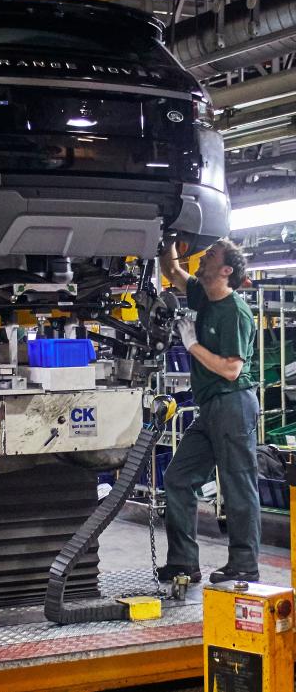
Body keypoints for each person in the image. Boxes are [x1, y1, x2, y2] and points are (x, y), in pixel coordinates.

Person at [158, 238, 259, 584]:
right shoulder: (202, 293)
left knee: (237, 485)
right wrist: (166, 239)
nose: (203, 258)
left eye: (211, 255)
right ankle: (184, 562)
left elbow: (232, 368)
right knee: (177, 478)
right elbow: (171, 269)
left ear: (226, 270)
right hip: (210, 405)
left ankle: (245, 563)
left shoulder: (235, 312)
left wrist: (191, 345)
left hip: (233, 403)